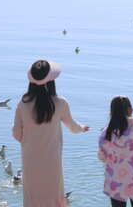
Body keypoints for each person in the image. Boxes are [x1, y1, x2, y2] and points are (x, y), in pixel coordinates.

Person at [12, 60, 90, 207]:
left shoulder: (23, 104)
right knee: (53, 196)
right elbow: (73, 127)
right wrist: (82, 127)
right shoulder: (60, 103)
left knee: (32, 197)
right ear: (52, 82)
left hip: (30, 160)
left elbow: (16, 134)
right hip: (52, 160)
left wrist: (28, 140)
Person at [98, 96, 133, 207]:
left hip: (115, 183)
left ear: (112, 112)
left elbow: (102, 157)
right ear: (130, 110)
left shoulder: (106, 134)